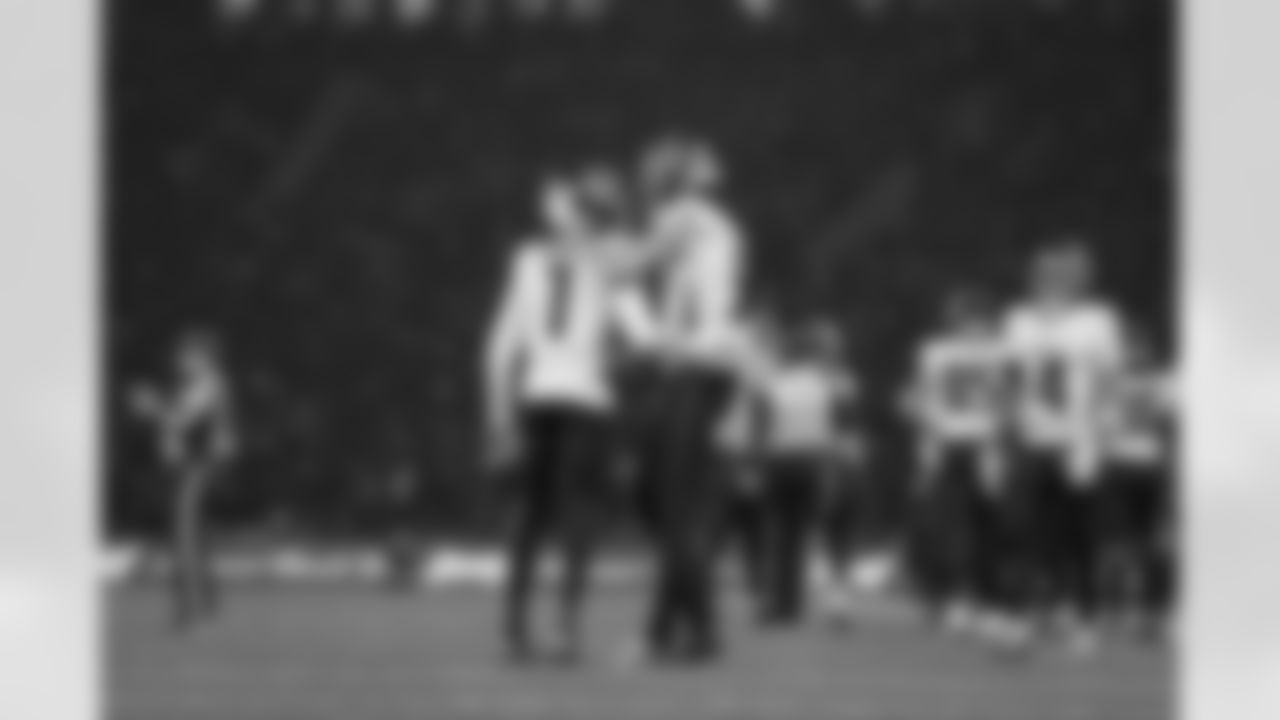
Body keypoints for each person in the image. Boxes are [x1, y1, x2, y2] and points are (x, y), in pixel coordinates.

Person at [483, 169, 656, 664]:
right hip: (586, 399)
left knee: (529, 515)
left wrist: (497, 414)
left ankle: (513, 628)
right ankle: (566, 627)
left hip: (537, 395)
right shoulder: (608, 262)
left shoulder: (527, 260)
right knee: (579, 516)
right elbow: (644, 338)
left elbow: (500, 346)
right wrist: (611, 360)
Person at [635, 135, 745, 663]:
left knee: (673, 509)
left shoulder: (682, 216)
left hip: (696, 368)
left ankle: (694, 630)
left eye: (653, 175)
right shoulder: (710, 222)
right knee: (671, 506)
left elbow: (635, 262)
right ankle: (671, 627)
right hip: (702, 366)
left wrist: (586, 244)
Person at [1001, 240, 1126, 655]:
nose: (1048, 282)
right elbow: (1012, 377)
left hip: (1078, 440)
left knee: (1078, 535)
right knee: (1023, 530)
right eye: (1042, 275)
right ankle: (1023, 616)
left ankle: (1084, 617)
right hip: (1033, 438)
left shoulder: (1098, 321)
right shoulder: (1019, 320)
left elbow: (1109, 380)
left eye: (1057, 275)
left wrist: (1104, 434)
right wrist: (1005, 430)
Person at [902, 290, 1011, 641]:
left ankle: (976, 599)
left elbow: (1006, 400)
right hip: (954, 444)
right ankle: (958, 597)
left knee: (978, 527)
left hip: (976, 444)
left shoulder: (977, 352)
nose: (968, 325)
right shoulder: (944, 352)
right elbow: (918, 398)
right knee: (952, 526)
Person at [749, 319, 860, 626]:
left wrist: (754, 467)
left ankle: (782, 604)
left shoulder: (773, 383)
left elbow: (761, 427)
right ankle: (827, 599)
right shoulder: (829, 383)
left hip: (779, 462)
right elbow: (841, 425)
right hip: (815, 461)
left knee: (782, 534)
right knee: (818, 530)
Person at [128, 329, 237, 630]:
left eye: (186, 354)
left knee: (183, 533)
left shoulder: (210, 383)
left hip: (200, 466)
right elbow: (176, 423)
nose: (179, 360)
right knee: (195, 535)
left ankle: (186, 610)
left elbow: (180, 419)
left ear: (203, 357)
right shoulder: (200, 384)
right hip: (192, 466)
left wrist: (151, 406)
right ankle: (207, 603)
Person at [1097, 329, 1177, 640]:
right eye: (1132, 348)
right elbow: (1104, 430)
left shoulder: (1160, 385)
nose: (1136, 354)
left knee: (1152, 542)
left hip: (1148, 467)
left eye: (1140, 348)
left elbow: (1167, 429)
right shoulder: (1115, 385)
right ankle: (1121, 607)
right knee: (1121, 542)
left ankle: (1151, 609)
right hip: (1122, 467)